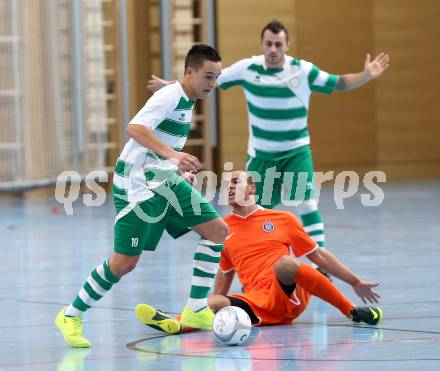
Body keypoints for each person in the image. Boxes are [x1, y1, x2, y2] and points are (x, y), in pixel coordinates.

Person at [146, 20, 390, 261]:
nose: (273, 49)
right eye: (269, 44)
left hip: (296, 151)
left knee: (305, 203)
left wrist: (366, 76)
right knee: (253, 210)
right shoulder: (248, 69)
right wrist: (169, 87)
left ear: (287, 46)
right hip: (261, 155)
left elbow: (338, 83)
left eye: (278, 44)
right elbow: (207, 81)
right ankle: (254, 259)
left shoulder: (302, 71)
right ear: (262, 45)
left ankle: (321, 266)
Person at [55, 44, 228, 348]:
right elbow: (134, 128)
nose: (213, 85)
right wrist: (172, 155)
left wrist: (171, 168)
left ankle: (197, 309)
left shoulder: (186, 94)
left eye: (216, 78)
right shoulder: (172, 95)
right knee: (124, 263)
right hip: (136, 182)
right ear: (190, 72)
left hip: (163, 177)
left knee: (216, 230)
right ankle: (71, 314)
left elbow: (173, 104)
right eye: (208, 77)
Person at [136, 170, 382, 333]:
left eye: (235, 182)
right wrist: (210, 306)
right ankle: (177, 325)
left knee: (286, 264)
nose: (229, 188)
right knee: (211, 301)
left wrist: (355, 282)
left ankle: (352, 311)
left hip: (287, 294)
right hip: (255, 302)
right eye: (225, 185)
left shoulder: (282, 218)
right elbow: (223, 273)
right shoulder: (221, 229)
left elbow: (319, 255)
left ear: (251, 188)